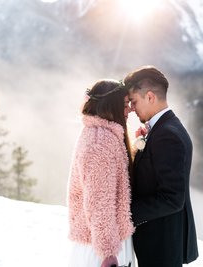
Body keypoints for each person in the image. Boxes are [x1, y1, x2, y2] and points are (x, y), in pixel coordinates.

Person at [124, 66, 199, 267]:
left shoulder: (167, 135)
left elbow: (173, 198)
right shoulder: (163, 128)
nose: (131, 108)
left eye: (134, 101)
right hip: (160, 240)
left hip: (162, 245)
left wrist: (126, 213)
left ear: (150, 97)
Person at [67, 79, 135, 267]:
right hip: (102, 248)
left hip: (105, 240)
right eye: (125, 104)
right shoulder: (100, 142)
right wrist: (108, 252)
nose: (129, 109)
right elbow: (99, 201)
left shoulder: (102, 135)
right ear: (110, 105)